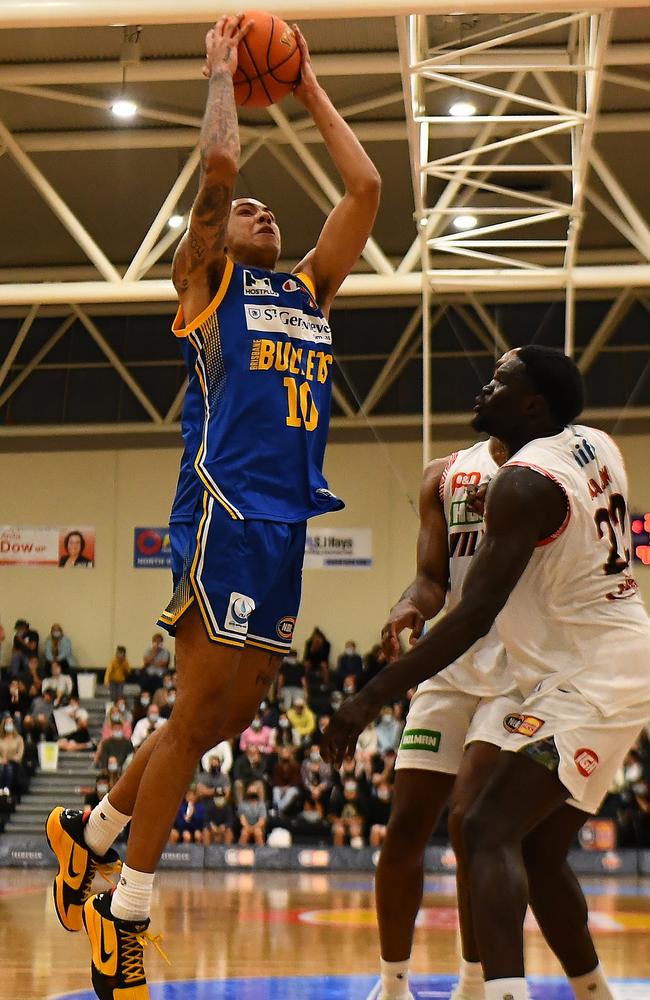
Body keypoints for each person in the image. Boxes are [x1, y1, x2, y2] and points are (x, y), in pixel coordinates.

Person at [46, 14, 379, 997]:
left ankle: (90, 826)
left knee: (228, 718)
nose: (261, 211)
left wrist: (308, 80)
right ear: (218, 236)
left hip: (287, 522)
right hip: (224, 512)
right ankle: (124, 910)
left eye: (271, 211)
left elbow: (363, 190)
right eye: (249, 212)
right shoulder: (205, 285)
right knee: (193, 719)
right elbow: (220, 170)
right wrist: (223, 77)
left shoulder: (310, 292)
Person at [324, 346, 650, 1000]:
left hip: (574, 672)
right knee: (527, 847)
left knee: (481, 826)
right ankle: (585, 992)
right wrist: (407, 607)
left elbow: (474, 615)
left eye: (499, 381)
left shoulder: (525, 484)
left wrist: (366, 701)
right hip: (571, 662)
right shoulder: (596, 445)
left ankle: (489, 984)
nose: (482, 387)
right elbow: (435, 583)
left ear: (533, 406)